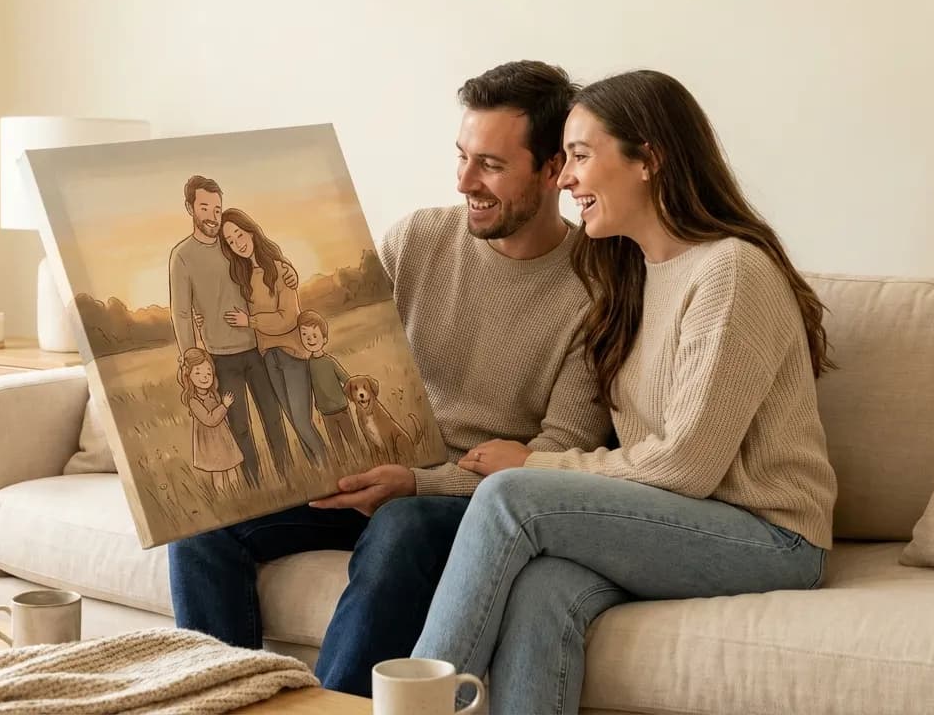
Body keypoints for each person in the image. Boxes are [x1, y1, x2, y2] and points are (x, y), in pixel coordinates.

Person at [168, 60, 614, 697]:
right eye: (461, 156)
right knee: (204, 521)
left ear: (553, 172)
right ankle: (218, 704)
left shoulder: (599, 288)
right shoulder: (418, 239)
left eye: (490, 164)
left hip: (471, 500)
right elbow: (341, 360)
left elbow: (553, 457)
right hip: (372, 463)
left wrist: (418, 482)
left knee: (400, 525)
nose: (464, 181)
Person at [410, 70, 840, 714]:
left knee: (510, 498)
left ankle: (414, 706)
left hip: (771, 536)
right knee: (544, 588)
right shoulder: (628, 273)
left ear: (650, 160)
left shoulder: (730, 272)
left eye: (581, 157)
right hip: (679, 524)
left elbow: (685, 466)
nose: (563, 179)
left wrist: (534, 464)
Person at [168, 176, 295, 487]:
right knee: (239, 426)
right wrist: (191, 358)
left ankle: (292, 481)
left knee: (273, 418)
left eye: (217, 208)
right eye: (205, 208)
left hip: (258, 347)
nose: (213, 215)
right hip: (221, 357)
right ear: (190, 208)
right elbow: (182, 312)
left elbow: (264, 258)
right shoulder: (182, 255)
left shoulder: (232, 242)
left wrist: (288, 269)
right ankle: (254, 488)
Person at [219, 208, 330, 470]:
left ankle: (329, 467)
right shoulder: (242, 278)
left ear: (252, 231)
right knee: (293, 419)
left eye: (239, 234)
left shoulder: (280, 270)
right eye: (231, 242)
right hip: (269, 357)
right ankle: (321, 473)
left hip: (292, 354)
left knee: (302, 420)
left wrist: (253, 321)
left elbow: (288, 319)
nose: (238, 243)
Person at [296, 309, 365, 465]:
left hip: (342, 409)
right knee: (336, 443)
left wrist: (355, 399)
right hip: (326, 413)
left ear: (324, 338)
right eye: (305, 335)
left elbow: (347, 380)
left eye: (314, 335)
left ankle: (361, 462)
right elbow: (312, 389)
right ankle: (344, 466)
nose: (310, 339)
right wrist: (317, 408)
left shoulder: (330, 361)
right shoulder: (307, 366)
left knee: (352, 438)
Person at [177, 347, 245, 492]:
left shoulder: (213, 394)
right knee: (218, 471)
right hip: (210, 443)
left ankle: (238, 492)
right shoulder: (193, 401)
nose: (205, 377)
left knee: (231, 467)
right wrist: (224, 406)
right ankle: (223, 497)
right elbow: (210, 420)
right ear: (188, 376)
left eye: (208, 372)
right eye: (198, 373)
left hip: (223, 438)